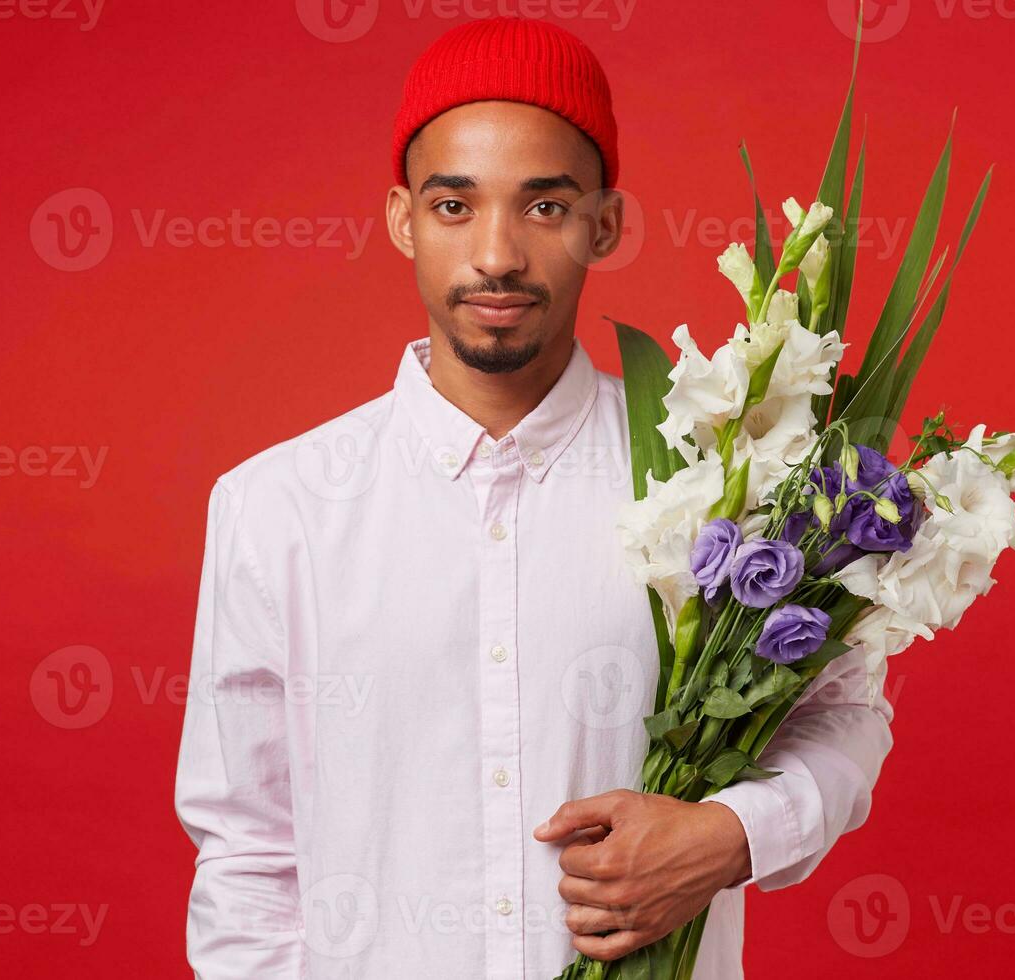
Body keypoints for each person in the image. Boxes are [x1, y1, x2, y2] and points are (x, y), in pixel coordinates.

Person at [174, 15, 894, 978]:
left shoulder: (720, 478)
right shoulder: (278, 508)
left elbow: (844, 715)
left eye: (545, 207)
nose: (499, 255)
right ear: (402, 219)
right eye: (455, 207)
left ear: (606, 223)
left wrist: (732, 832)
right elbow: (246, 855)